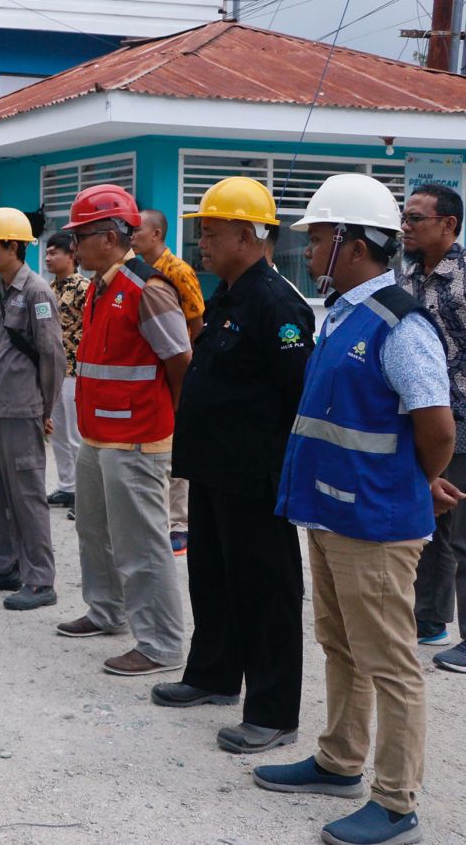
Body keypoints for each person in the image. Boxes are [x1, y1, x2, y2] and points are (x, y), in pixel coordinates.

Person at [254, 173, 459, 845]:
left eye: (316, 238)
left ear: (350, 242)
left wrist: (415, 478)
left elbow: (437, 427)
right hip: (335, 513)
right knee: (340, 643)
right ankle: (340, 760)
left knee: (391, 660)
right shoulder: (340, 312)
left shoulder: (401, 325)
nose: (308, 250)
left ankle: (396, 802)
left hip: (375, 521)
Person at [153, 178, 314, 756]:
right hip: (214, 470)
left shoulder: (279, 305)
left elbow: (297, 398)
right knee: (213, 579)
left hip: (255, 478)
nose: (203, 244)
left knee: (266, 593)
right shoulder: (226, 294)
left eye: (213, 234)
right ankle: (213, 674)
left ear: (248, 237)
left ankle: (273, 713)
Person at [58, 184, 191, 677]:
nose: (75, 246)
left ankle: (160, 643)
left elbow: (180, 362)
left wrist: (168, 421)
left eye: (82, 236)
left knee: (141, 542)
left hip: (137, 438)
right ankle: (106, 611)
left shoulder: (147, 290)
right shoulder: (99, 284)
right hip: (99, 436)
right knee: (95, 531)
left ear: (111, 237)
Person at [0, 208, 65, 610]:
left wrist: (46, 407)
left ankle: (40, 580)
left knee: (26, 495)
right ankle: (3, 566)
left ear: (13, 246)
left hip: (22, 408)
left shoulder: (38, 292)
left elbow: (51, 354)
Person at [399, 182, 466, 671]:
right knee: (430, 522)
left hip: (461, 420)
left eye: (416, 218)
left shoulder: (463, 279)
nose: (406, 225)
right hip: (421, 415)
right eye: (405, 216)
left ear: (448, 225)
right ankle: (430, 618)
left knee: (462, 533)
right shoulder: (407, 273)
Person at [133, 208, 205, 556]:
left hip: (178, 368)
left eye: (139, 229)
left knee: (179, 453)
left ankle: (181, 524)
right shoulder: (135, 272)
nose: (132, 235)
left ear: (158, 233)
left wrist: (186, 368)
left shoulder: (178, 271)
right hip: (151, 374)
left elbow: (196, 322)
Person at [44, 232, 88, 508]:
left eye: (54, 253)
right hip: (54, 370)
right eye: (47, 253)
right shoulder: (49, 288)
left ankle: (83, 494)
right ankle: (66, 486)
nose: (48, 258)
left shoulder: (85, 288)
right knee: (57, 432)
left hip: (75, 368)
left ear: (71, 255)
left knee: (75, 435)